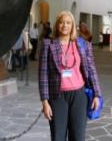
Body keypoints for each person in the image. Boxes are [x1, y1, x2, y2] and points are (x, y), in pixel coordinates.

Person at [39, 11, 102, 141]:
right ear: (57, 25)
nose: (65, 25)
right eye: (61, 22)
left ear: (73, 26)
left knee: (78, 136)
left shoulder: (82, 44)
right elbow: (43, 75)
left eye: (68, 23)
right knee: (58, 136)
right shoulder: (48, 45)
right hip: (57, 96)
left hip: (79, 95)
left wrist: (97, 94)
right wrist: (45, 102)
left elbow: (91, 69)